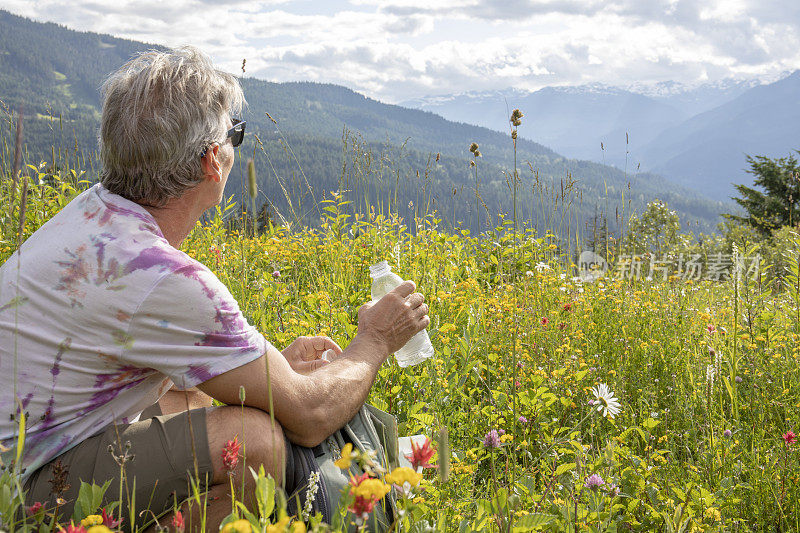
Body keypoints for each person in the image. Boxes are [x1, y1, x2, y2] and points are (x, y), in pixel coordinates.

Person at [0, 46, 429, 531]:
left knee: (189, 398)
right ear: (212, 161)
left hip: (30, 452)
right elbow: (311, 413)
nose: (235, 148)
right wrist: (374, 339)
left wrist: (277, 370)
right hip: (20, 492)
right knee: (252, 442)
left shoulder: (93, 214)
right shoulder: (163, 277)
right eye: (235, 136)